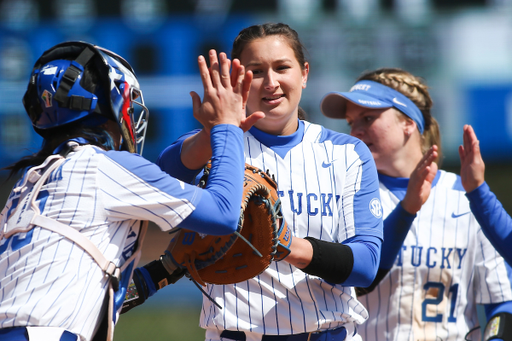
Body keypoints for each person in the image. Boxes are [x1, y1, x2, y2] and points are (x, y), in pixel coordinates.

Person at [133, 23, 384, 341]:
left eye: (282, 68)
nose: (271, 82)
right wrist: (216, 131)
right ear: (239, 80)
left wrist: (288, 247)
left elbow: (365, 264)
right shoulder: (216, 149)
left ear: (304, 74)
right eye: (257, 70)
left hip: (329, 333)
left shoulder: (347, 152)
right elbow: (166, 178)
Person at [0, 41, 256, 341]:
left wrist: (164, 269)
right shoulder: (102, 167)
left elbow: (93, 295)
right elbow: (224, 214)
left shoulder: (29, 183)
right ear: (109, 102)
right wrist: (228, 126)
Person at [320, 67, 512, 341]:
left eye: (368, 118)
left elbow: (502, 302)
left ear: (408, 122)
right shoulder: (346, 196)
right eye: (351, 122)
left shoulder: (465, 195)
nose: (356, 131)